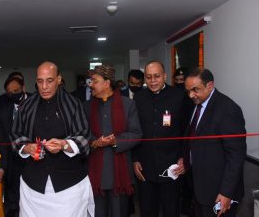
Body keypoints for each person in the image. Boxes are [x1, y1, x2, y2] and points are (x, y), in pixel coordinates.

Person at [11, 61, 94, 217]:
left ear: (58, 79)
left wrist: (64, 144)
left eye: (49, 81)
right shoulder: (26, 106)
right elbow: (16, 135)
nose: (44, 86)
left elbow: (84, 137)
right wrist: (27, 147)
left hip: (69, 185)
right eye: (40, 81)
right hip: (33, 184)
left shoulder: (74, 104)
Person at [184, 68, 246, 217]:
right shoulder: (196, 104)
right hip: (200, 188)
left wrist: (226, 193)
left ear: (210, 85)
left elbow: (236, 156)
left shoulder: (228, 109)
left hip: (219, 192)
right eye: (188, 91)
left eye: (195, 90)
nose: (191, 95)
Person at [84, 65, 142, 217]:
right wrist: (96, 142)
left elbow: (136, 133)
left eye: (95, 81)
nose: (91, 85)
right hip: (95, 174)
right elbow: (82, 134)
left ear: (107, 83)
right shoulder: (87, 106)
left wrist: (115, 141)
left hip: (120, 174)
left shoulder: (127, 104)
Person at [132, 60, 187, 217]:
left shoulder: (179, 96)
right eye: (148, 77)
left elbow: (186, 130)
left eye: (156, 76)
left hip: (172, 166)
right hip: (145, 167)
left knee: (171, 209)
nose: (153, 81)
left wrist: (184, 157)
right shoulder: (138, 97)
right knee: (147, 210)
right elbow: (135, 131)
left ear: (164, 76)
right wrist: (135, 160)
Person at [0, 76, 29, 217]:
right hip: (12, 162)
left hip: (33, 161)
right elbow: (4, 139)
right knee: (12, 201)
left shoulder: (37, 103)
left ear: (23, 88)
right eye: (10, 93)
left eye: (16, 91)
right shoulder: (4, 110)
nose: (14, 94)